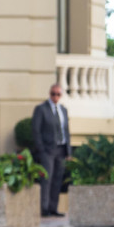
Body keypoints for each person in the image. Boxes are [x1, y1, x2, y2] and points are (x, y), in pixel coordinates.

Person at [31, 83, 71, 217]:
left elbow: (66, 131)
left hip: (61, 149)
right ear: (50, 94)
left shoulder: (63, 110)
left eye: (58, 94)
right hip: (47, 150)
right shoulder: (41, 109)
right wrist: (41, 149)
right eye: (53, 93)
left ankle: (54, 208)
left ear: (61, 95)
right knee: (46, 179)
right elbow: (36, 130)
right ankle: (44, 208)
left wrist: (68, 151)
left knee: (57, 179)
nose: (55, 96)